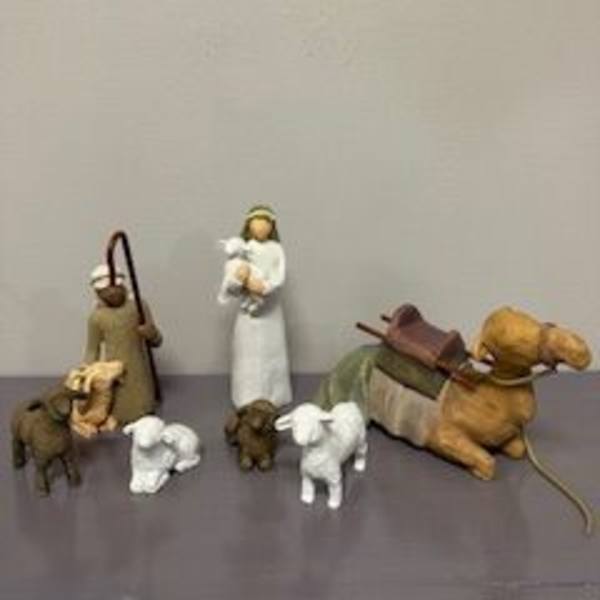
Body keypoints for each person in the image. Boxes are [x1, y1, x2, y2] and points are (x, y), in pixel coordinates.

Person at [219, 205, 292, 410]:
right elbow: (230, 285)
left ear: (272, 226)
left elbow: (279, 276)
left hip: (271, 312)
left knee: (272, 353)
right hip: (248, 317)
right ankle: (247, 395)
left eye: (265, 222)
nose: (261, 226)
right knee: (249, 355)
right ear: (248, 225)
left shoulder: (276, 249)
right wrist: (239, 279)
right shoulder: (243, 249)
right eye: (256, 222)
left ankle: (274, 395)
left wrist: (265, 287)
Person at [84, 264, 163, 424]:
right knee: (119, 403)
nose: (112, 293)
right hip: (115, 373)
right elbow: (92, 349)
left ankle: (145, 412)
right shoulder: (97, 317)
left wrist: (150, 332)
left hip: (140, 371)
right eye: (105, 290)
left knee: (143, 402)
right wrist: (87, 374)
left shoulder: (139, 306)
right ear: (97, 293)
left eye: (116, 287)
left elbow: (157, 340)